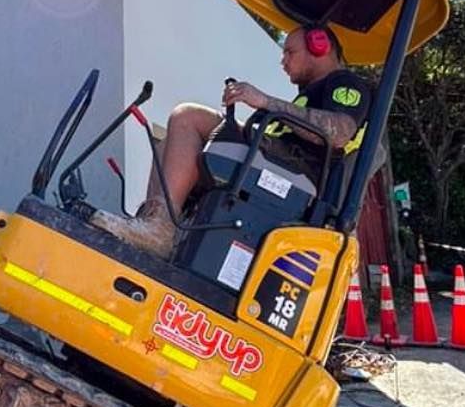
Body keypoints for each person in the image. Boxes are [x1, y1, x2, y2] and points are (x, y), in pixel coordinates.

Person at [92, 25, 371, 257]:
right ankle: (154, 223)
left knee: (188, 116)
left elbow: (339, 133)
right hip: (272, 159)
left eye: (289, 52)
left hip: (293, 174)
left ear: (319, 46)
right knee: (169, 143)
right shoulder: (309, 93)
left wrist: (265, 102)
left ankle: (162, 231)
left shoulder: (344, 83)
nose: (283, 61)